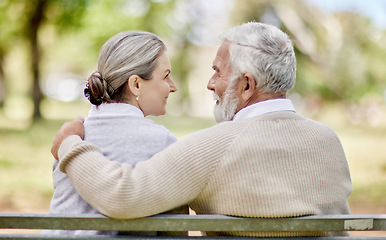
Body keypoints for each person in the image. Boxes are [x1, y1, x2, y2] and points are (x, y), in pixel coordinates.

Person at [51, 22, 352, 237]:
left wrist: (69, 144)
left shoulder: (214, 148)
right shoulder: (329, 141)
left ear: (247, 85)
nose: (209, 84)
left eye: (217, 72)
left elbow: (123, 195)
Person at [44, 31, 188, 236]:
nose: (172, 87)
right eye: (166, 76)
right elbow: (175, 231)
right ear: (136, 84)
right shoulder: (162, 141)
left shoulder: (71, 137)